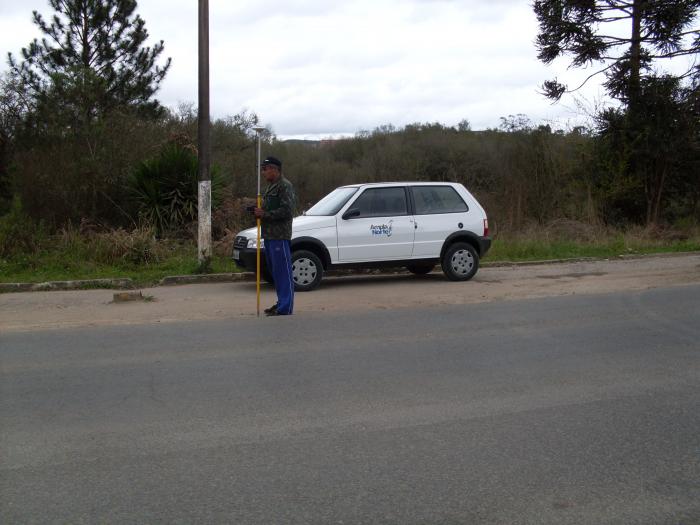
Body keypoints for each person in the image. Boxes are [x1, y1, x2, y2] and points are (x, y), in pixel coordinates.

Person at [253, 156, 296, 316]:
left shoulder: (285, 186)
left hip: (280, 235)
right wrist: (256, 211)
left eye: (266, 169)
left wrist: (265, 214)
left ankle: (286, 307)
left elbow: (287, 211)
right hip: (269, 235)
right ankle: (281, 302)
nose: (264, 173)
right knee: (276, 273)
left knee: (283, 272)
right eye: (263, 169)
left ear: (275, 169)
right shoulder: (271, 187)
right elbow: (267, 207)